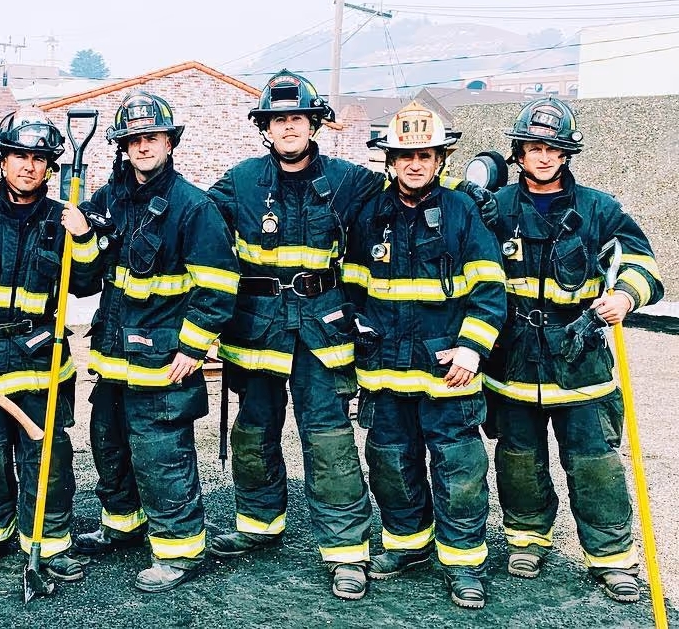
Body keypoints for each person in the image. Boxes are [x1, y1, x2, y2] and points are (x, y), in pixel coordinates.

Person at [483, 98, 663, 603]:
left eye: (554, 148)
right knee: (518, 457)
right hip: (512, 354)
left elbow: (643, 265)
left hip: (580, 354)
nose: (543, 157)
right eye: (534, 147)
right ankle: (527, 539)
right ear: (518, 152)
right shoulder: (495, 208)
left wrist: (625, 295)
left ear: (567, 154)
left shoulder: (599, 209)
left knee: (594, 463)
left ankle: (611, 558)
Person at [206, 69, 375, 600]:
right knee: (254, 432)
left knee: (327, 440)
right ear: (265, 128)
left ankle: (347, 551)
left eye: (297, 118)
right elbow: (192, 216)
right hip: (256, 328)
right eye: (278, 121)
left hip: (322, 329)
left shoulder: (348, 180)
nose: (288, 129)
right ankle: (259, 524)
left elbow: (409, 188)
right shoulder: (240, 181)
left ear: (314, 123)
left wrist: (479, 192)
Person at [71, 91, 239, 593]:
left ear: (169, 142)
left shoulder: (192, 207)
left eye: (152, 138)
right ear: (123, 147)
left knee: (161, 456)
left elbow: (218, 286)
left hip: (164, 363)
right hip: (113, 358)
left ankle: (180, 548)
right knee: (110, 445)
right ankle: (122, 524)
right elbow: (83, 279)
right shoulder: (109, 199)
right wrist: (80, 236)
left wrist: (192, 349)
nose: (143, 147)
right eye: (134, 139)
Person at [343, 101, 507, 610]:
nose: (415, 164)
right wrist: (358, 332)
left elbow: (489, 287)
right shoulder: (369, 214)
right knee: (391, 462)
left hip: (447, 372)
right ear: (389, 161)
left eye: (426, 156)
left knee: (459, 470)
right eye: (405, 156)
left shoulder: (462, 213)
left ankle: (464, 564)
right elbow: (352, 283)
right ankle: (406, 545)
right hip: (386, 369)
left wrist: (473, 348)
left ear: (441, 159)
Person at [0, 108, 99, 583]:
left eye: (38, 158)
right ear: (1, 160)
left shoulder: (63, 218)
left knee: (46, 454)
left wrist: (85, 237)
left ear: (50, 167)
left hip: (39, 356)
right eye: (18, 156)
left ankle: (49, 542)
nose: (28, 166)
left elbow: (87, 283)